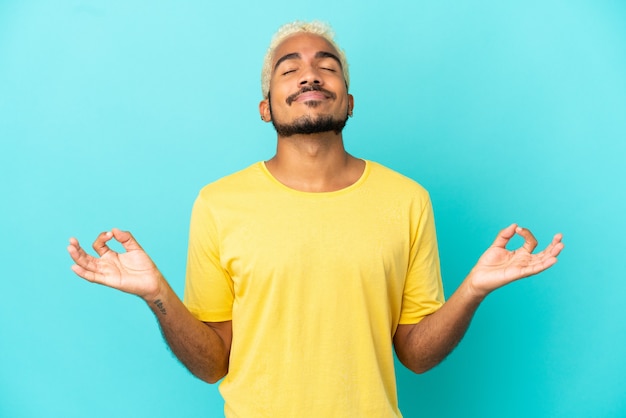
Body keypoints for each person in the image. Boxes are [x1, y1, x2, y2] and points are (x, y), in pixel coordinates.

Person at [67, 21, 564, 417]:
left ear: (348, 101)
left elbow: (415, 354)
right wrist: (158, 294)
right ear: (265, 108)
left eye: (326, 66)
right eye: (289, 69)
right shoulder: (219, 203)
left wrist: (471, 290)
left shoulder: (408, 199)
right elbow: (213, 362)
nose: (310, 74)